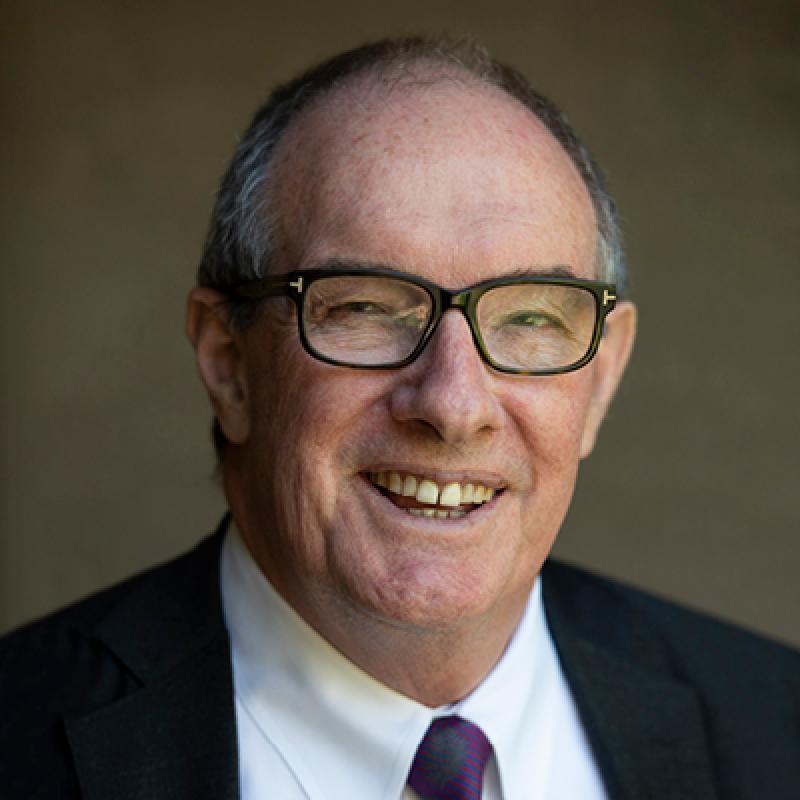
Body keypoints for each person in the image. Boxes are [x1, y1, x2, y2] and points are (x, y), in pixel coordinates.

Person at [1, 36, 798, 800]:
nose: (453, 405)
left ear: (600, 379)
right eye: (366, 308)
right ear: (228, 363)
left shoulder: (777, 727)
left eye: (529, 318)